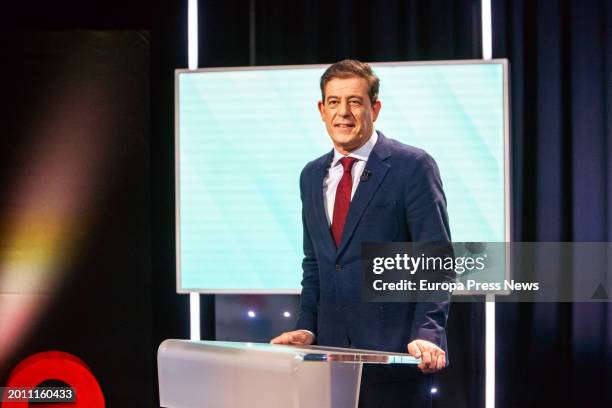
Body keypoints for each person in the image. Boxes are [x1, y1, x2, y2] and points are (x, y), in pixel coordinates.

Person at [271, 59, 452, 407]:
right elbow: (316, 263)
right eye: (334, 102)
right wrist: (307, 326)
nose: (344, 113)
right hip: (328, 360)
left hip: (394, 355)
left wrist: (428, 333)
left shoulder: (412, 166)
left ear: (375, 108)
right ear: (321, 110)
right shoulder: (310, 176)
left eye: (355, 101)